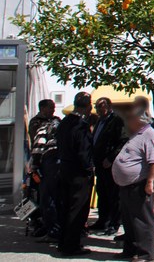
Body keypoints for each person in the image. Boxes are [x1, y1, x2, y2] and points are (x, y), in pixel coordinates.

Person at [112, 106, 154, 262]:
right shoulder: (137, 134)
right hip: (127, 185)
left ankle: (146, 255)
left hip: (139, 184)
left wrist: (150, 182)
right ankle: (130, 249)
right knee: (128, 219)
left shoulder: (150, 134)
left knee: (143, 221)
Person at [56, 92, 94, 256]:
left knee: (65, 207)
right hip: (78, 172)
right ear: (88, 106)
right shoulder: (81, 126)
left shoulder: (64, 122)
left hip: (64, 168)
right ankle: (72, 244)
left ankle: (63, 241)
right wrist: (89, 169)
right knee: (77, 209)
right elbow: (83, 153)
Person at [90, 97, 125, 236]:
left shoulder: (116, 120)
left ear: (109, 106)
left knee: (113, 194)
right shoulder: (99, 121)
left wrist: (111, 158)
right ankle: (103, 220)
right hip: (99, 163)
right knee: (102, 193)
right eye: (97, 107)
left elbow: (122, 142)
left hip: (110, 164)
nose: (98, 110)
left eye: (101, 107)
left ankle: (114, 223)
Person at [28, 99, 61, 239]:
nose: (53, 110)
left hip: (53, 166)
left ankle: (52, 227)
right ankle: (37, 222)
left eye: (54, 108)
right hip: (40, 163)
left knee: (50, 197)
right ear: (42, 108)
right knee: (36, 195)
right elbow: (37, 143)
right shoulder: (36, 122)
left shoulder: (57, 120)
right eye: (50, 108)